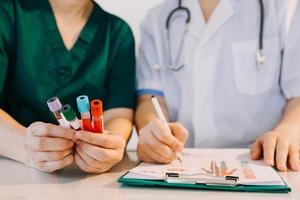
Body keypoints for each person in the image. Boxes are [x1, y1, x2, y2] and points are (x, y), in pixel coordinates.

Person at [136, 0, 300, 171]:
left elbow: (297, 95)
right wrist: (153, 132)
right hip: (179, 162)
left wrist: (286, 133)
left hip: (263, 161)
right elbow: (150, 98)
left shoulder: (285, 8)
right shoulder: (156, 20)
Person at [0, 0, 136, 173]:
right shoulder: (8, 13)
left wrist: (108, 147)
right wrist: (25, 145)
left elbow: (118, 113)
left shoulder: (116, 32)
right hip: (12, 172)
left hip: (84, 180)